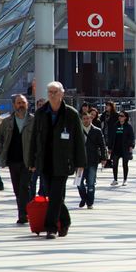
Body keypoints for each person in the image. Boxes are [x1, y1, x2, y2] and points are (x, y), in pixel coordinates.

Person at [29, 81, 86, 239]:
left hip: (62, 161)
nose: (52, 95)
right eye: (50, 92)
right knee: (52, 194)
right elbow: (34, 138)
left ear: (62, 94)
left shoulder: (71, 114)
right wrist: (31, 161)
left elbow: (79, 141)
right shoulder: (41, 113)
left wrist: (80, 163)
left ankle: (51, 227)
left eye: (55, 92)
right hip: (45, 161)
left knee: (55, 195)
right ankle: (65, 221)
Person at [0, 95, 34, 223]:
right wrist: (0, 152)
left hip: (28, 160)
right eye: (18, 103)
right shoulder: (7, 122)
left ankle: (23, 215)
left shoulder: (33, 121)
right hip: (13, 160)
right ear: (14, 105)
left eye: (23, 102)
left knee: (24, 186)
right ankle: (24, 211)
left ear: (27, 104)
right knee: (17, 188)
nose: (21, 105)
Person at [78, 112, 107, 209]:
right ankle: (84, 197)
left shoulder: (97, 131)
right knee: (79, 183)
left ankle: (90, 202)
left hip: (92, 160)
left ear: (91, 119)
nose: (86, 120)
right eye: (84, 118)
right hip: (79, 161)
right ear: (81, 119)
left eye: (88, 118)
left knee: (90, 183)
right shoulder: (77, 130)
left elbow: (102, 145)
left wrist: (104, 158)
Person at [108, 111, 135, 186]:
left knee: (125, 164)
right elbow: (111, 136)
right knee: (115, 164)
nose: (120, 117)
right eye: (119, 116)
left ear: (125, 117)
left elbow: (132, 137)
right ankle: (115, 179)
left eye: (122, 116)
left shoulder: (128, 126)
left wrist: (131, 146)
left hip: (125, 148)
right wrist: (109, 147)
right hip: (116, 147)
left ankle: (125, 179)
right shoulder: (116, 125)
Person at [30, 98, 46, 197]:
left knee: (43, 181)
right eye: (39, 105)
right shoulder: (33, 119)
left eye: (42, 104)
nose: (41, 106)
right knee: (32, 179)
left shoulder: (49, 119)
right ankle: (31, 197)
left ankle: (41, 196)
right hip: (35, 155)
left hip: (45, 156)